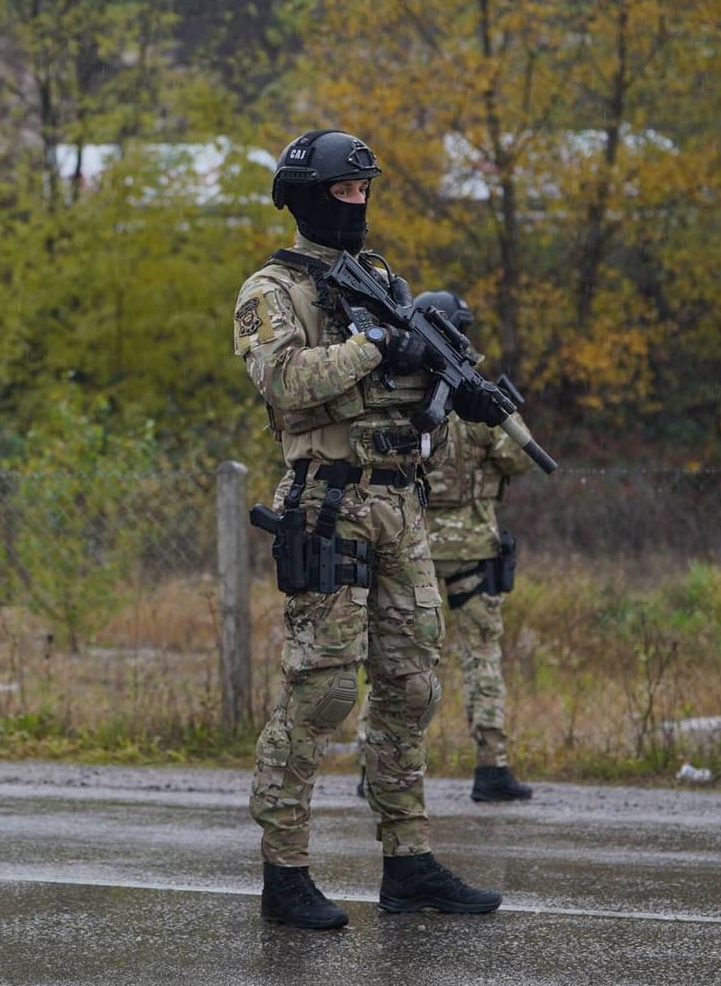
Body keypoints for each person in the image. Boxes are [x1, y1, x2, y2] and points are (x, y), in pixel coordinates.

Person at [234, 128, 504, 930]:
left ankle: (408, 860)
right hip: (329, 500)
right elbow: (283, 381)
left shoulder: (380, 276)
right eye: (343, 194)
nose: (356, 205)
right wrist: (373, 345)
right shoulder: (271, 289)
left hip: (401, 501)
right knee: (319, 689)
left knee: (411, 686)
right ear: (307, 198)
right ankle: (284, 872)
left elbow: (414, 382)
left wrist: (455, 392)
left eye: (363, 193)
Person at [414, 291, 539, 803]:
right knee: (481, 657)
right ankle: (491, 768)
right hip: (471, 547)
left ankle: (375, 761)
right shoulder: (475, 395)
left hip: (412, 544)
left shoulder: (405, 389)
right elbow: (520, 457)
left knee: (400, 660)